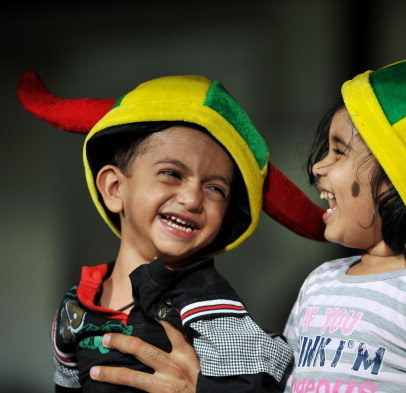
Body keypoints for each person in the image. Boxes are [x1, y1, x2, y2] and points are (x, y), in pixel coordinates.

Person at [44, 54, 406, 393]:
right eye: (324, 150)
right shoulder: (322, 284)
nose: (317, 168)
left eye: (339, 151)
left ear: (399, 180)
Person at [17, 72, 326, 393]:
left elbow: (264, 383)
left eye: (215, 188)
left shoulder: (207, 302)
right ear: (113, 187)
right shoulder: (75, 304)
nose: (192, 198)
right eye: (171, 173)